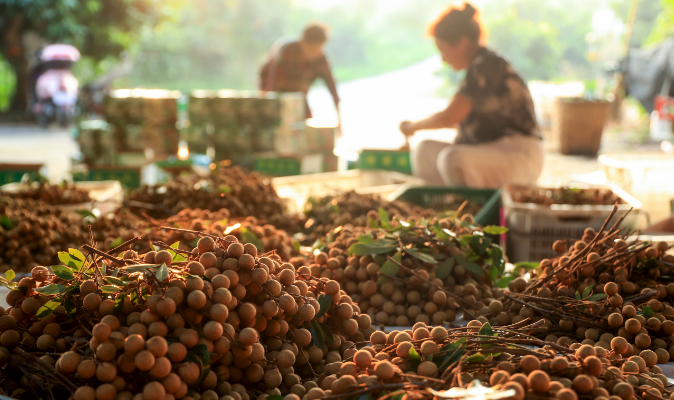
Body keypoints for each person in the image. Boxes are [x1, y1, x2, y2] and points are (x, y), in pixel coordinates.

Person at [400, 3, 543, 188]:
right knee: (424, 151)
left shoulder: (488, 65)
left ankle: (469, 210)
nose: (443, 58)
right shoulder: (477, 68)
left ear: (461, 43)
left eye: (443, 49)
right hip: (491, 151)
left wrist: (412, 127)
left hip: (519, 155)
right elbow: (453, 120)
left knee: (452, 159)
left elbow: (449, 117)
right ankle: (443, 209)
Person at [260, 23, 340, 119]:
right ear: (302, 42)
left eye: (318, 49)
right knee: (280, 118)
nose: (313, 54)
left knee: (307, 120)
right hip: (276, 88)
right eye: (311, 49)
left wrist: (339, 119)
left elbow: (331, 86)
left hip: (299, 94)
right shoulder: (287, 50)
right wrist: (269, 108)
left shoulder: (321, 58)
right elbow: (272, 85)